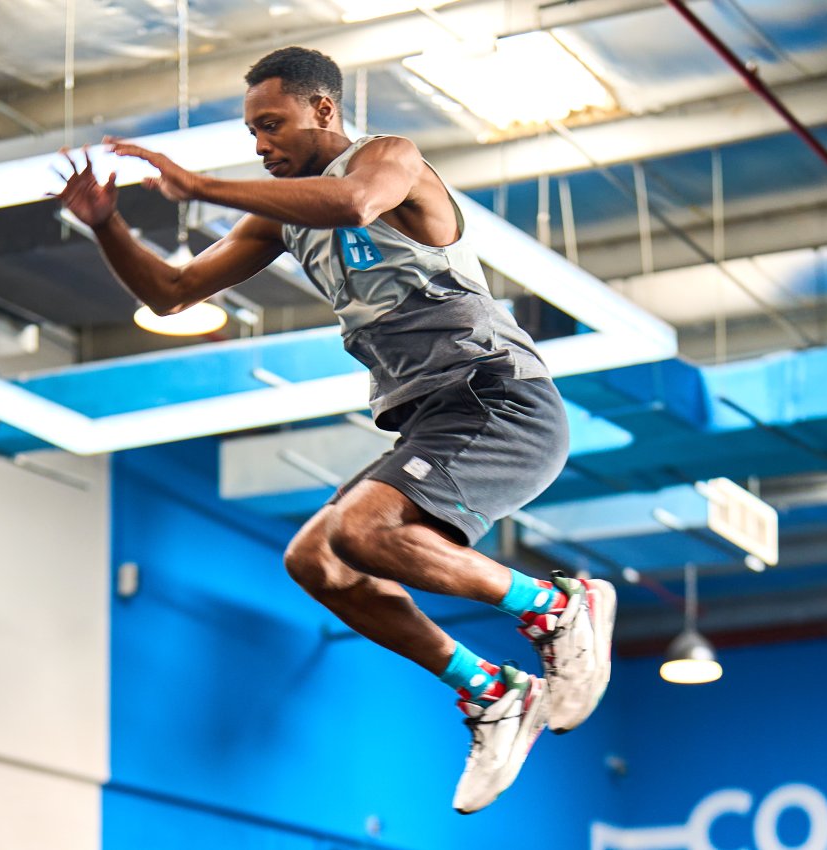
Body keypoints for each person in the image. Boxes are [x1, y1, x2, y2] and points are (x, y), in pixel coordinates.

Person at [55, 45, 616, 813]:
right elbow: (175, 291)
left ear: (324, 109)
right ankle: (493, 691)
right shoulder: (283, 222)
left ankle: (557, 608)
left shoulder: (390, 160)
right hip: (431, 418)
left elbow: (354, 204)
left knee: (360, 533)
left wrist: (198, 185)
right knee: (317, 560)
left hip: (497, 399)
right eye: (252, 131)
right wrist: (108, 224)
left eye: (273, 125)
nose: (261, 145)